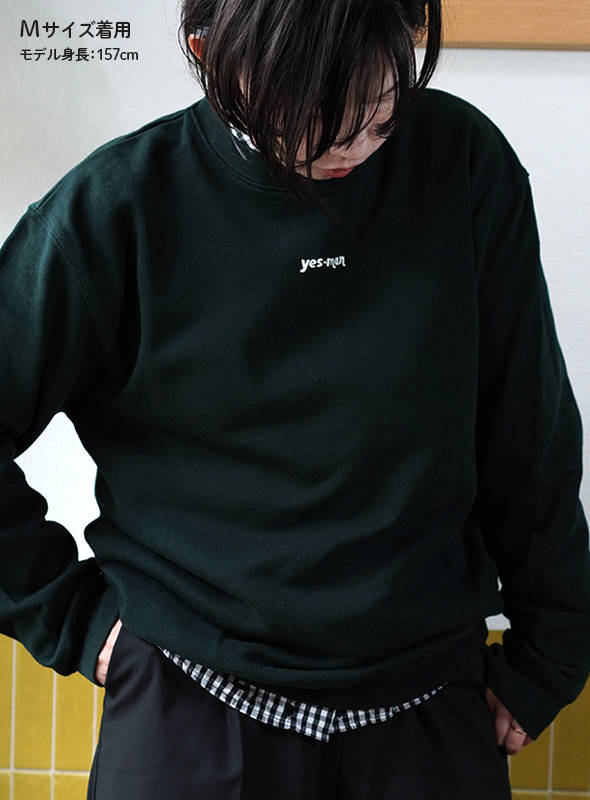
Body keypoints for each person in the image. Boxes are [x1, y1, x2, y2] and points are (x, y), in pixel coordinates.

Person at [1, 0, 589, 797]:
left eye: (379, 110)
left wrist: (551, 653)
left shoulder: (461, 162)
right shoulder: (116, 210)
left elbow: (529, 432)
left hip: (429, 698)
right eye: (316, 114)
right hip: (188, 702)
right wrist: (71, 620)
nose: (353, 145)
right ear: (209, 52)